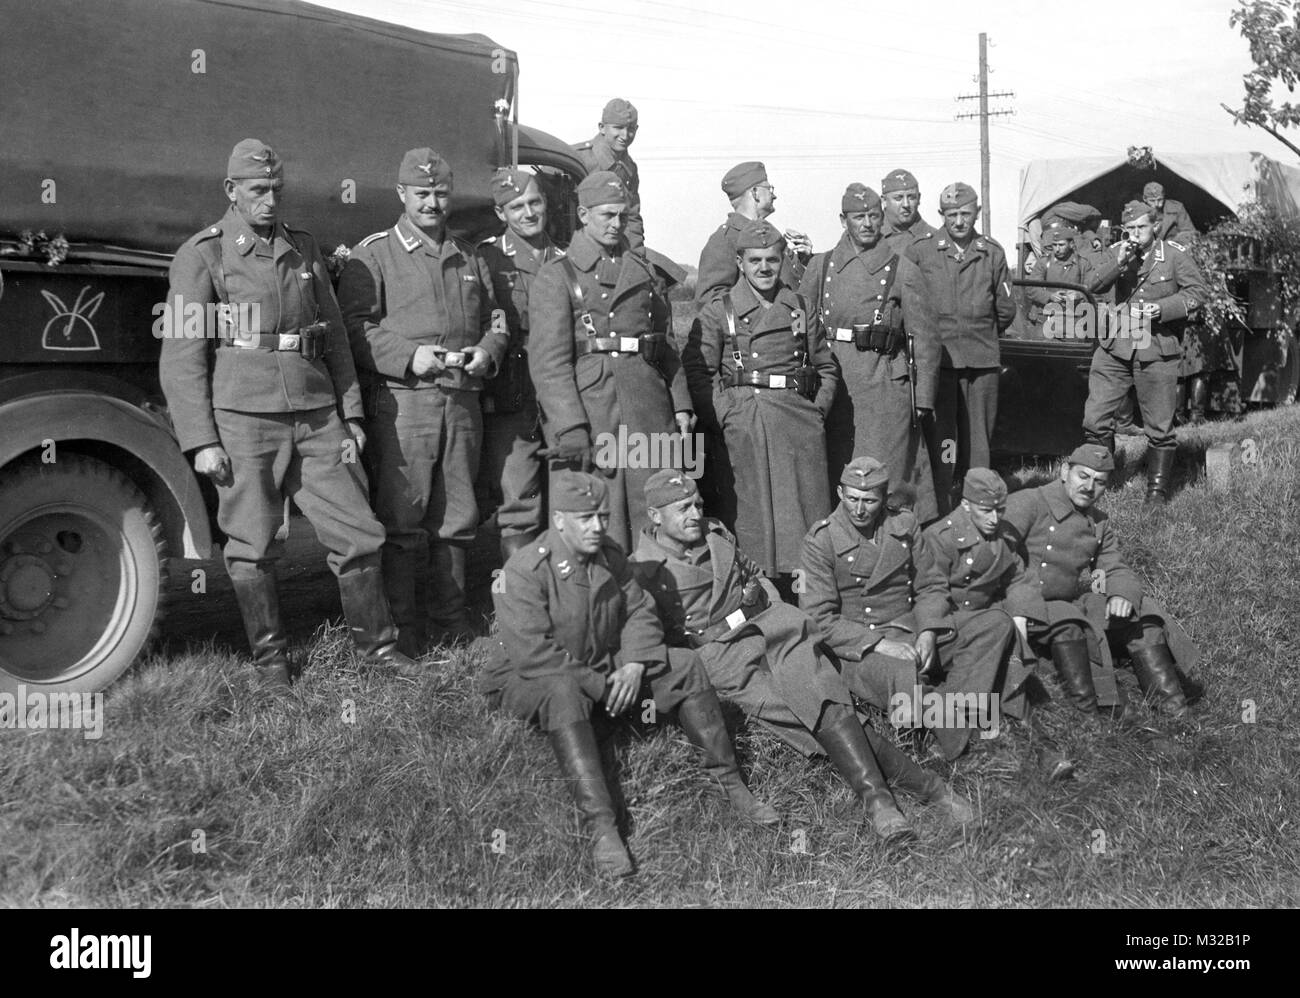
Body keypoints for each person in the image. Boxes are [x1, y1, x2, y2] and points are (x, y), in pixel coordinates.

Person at [160, 138, 416, 686]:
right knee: (252, 543)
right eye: (258, 191)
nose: (270, 200)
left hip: (316, 411)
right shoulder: (202, 254)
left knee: (358, 529)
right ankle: (272, 661)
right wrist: (201, 441)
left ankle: (378, 650)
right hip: (244, 416)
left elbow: (337, 340)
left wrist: (350, 414)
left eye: (277, 189)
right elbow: (181, 356)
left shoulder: (303, 249)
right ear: (232, 191)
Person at [630, 470, 973, 843]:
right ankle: (915, 791)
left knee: (822, 694)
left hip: (773, 627)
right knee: (800, 714)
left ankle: (891, 801)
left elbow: (753, 573)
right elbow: (649, 635)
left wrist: (770, 602)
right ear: (654, 516)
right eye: (682, 509)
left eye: (697, 503)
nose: (695, 513)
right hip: (722, 658)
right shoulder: (643, 570)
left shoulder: (716, 532)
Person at [484, 470, 777, 878]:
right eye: (585, 519)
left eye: (602, 516)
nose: (597, 527)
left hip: (603, 666)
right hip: (532, 679)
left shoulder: (609, 556)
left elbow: (639, 611)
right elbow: (535, 654)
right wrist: (603, 685)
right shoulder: (524, 570)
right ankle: (602, 828)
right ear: (559, 521)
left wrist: (636, 663)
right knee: (564, 691)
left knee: (687, 665)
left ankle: (727, 782)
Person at [338, 148, 508, 651]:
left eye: (440, 193)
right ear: (401, 194)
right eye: (422, 193)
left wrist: (487, 351)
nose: (432, 203)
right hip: (405, 404)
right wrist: (409, 356)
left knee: (457, 517)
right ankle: (407, 632)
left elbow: (495, 318)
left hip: (462, 400)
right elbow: (353, 326)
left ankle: (451, 623)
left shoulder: (469, 254)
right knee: (403, 520)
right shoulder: (375, 255)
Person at [799, 457, 1016, 759]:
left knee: (995, 622)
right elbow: (818, 619)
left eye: (870, 501)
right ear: (839, 493)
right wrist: (880, 644)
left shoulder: (904, 524)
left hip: (911, 627)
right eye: (852, 499)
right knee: (902, 673)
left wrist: (928, 630)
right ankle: (965, 733)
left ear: (885, 498)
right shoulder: (820, 541)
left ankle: (959, 709)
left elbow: (930, 585)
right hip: (861, 646)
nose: (859, 509)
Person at [529, 171, 692, 554]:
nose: (616, 225)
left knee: (655, 497)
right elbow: (549, 364)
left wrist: (681, 404)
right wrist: (569, 426)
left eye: (622, 215)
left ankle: (662, 589)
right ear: (583, 215)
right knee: (603, 507)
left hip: (648, 403)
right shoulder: (557, 277)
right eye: (607, 215)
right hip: (594, 407)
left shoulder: (644, 270)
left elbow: (666, 344)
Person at [683, 220, 837, 590]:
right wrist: (724, 413)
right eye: (755, 261)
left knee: (802, 517)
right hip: (745, 423)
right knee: (752, 518)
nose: (764, 268)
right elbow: (698, 370)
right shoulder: (720, 310)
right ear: (739, 262)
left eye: (771, 259)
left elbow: (827, 367)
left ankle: (807, 597)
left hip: (797, 426)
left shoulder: (800, 306)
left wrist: (816, 412)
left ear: (782, 260)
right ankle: (757, 594)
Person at [1003, 445, 1199, 727]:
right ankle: (1112, 712)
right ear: (1064, 472)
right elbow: (1001, 551)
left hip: (1064, 604)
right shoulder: (1029, 502)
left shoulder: (1098, 522)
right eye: (1083, 476)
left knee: (1143, 613)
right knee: (1073, 619)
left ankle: (1174, 711)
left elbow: (1115, 565)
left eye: (1099, 482)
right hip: (1023, 605)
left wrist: (1121, 593)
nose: (1088, 487)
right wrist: (1021, 600)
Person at [922, 468, 1074, 779]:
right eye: (986, 510)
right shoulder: (939, 538)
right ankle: (968, 728)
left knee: (1009, 658)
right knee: (999, 634)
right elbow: (930, 591)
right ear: (965, 505)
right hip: (946, 632)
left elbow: (1018, 577)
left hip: (987, 629)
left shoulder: (1001, 537)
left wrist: (1018, 618)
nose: (994, 518)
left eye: (999, 510)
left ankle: (1039, 746)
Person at [800, 182, 939, 519]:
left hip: (882, 383)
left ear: (882, 219)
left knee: (884, 472)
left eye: (873, 216)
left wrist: (922, 397)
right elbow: (802, 325)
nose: (866, 224)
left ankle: (893, 541)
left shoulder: (902, 267)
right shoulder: (822, 266)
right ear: (843, 219)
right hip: (834, 380)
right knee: (836, 468)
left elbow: (924, 337)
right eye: (858, 217)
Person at [1081, 201, 1208, 504]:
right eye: (1130, 229)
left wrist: (1163, 309)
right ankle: (1102, 479)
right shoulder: (1117, 253)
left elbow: (1197, 293)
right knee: (1095, 418)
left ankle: (1157, 493)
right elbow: (1089, 287)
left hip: (1156, 348)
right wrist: (1118, 263)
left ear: (1155, 226)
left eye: (1141, 227)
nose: (1135, 234)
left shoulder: (1174, 256)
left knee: (1160, 428)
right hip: (1115, 346)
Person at [905, 182, 1017, 515]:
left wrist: (982, 335)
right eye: (951, 214)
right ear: (941, 215)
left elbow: (1006, 309)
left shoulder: (991, 252)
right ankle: (941, 506)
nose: (958, 221)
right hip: (938, 363)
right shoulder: (921, 250)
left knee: (978, 441)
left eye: (965, 214)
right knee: (943, 439)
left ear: (977, 213)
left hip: (981, 361)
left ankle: (978, 505)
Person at [478, 167, 564, 563]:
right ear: (501, 213)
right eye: (516, 207)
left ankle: (568, 593)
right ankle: (521, 602)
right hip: (513, 394)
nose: (528, 213)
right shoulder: (487, 259)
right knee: (519, 499)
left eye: (535, 202)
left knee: (567, 492)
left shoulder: (567, 261)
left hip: (562, 394)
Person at [695, 161, 812, 306]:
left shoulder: (770, 237)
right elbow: (711, 302)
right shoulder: (724, 241)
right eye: (769, 189)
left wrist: (805, 261)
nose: (774, 196)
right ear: (755, 192)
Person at [1024, 220, 1119, 336]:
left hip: (1073, 322)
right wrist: (1050, 296)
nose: (1057, 249)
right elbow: (1031, 288)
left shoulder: (1083, 264)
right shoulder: (1044, 263)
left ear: (1071, 245)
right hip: (1045, 320)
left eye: (1061, 245)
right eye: (1054, 245)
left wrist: (1080, 295)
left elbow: (1093, 290)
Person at [574, 98, 645, 250]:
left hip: (614, 244)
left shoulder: (629, 168)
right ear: (602, 127)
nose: (625, 135)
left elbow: (632, 216)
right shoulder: (579, 158)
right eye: (618, 128)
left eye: (631, 128)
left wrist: (636, 253)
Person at [879, 168, 939, 256]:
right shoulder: (869, 235)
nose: (906, 204)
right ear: (884, 201)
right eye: (898, 198)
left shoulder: (935, 238)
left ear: (919, 199)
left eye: (911, 197)